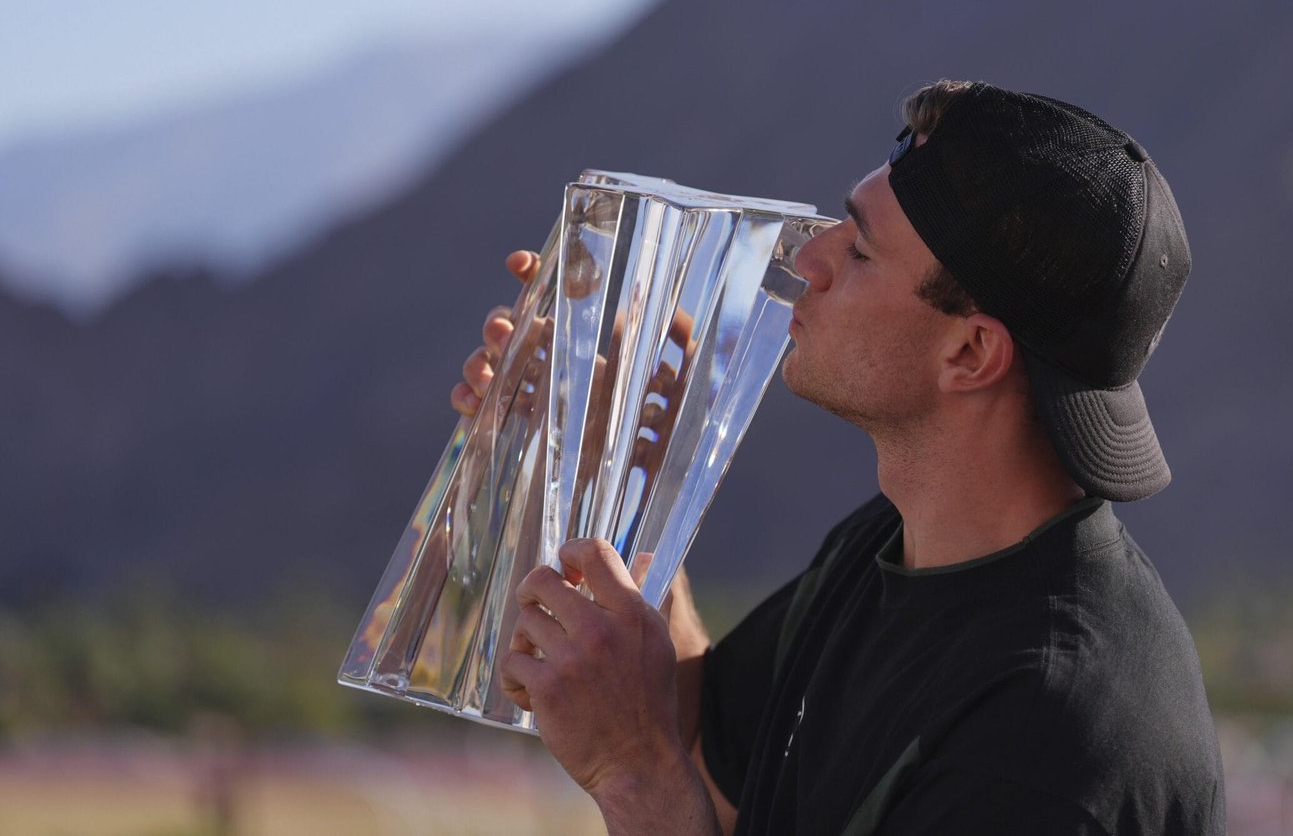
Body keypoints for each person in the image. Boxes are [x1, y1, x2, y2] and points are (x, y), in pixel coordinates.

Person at [452, 80, 1225, 834]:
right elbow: (712, 764)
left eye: (858, 249)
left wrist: (630, 770)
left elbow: (665, 771)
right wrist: (611, 476)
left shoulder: (1048, 735)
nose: (807, 259)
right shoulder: (889, 547)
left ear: (970, 352)